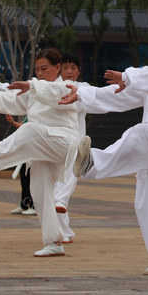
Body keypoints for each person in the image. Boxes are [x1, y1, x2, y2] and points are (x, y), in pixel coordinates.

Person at [63, 19, 148, 275]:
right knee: (146, 205)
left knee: (141, 132)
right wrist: (82, 95)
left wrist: (129, 76)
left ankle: (93, 164)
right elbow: (119, 96)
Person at [0, 48, 81, 258]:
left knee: (29, 129)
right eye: (37, 70)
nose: (40, 73)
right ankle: (54, 242)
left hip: (64, 143)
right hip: (43, 147)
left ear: (58, 67)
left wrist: (32, 85)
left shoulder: (67, 87)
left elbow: (52, 92)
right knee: (39, 190)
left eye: (44, 68)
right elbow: (12, 101)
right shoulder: (35, 90)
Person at [53, 54, 87, 244]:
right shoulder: (52, 87)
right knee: (52, 189)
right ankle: (63, 232)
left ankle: (60, 201)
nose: (69, 71)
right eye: (65, 67)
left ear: (78, 71)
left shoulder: (84, 89)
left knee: (69, 176)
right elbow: (25, 91)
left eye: (73, 68)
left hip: (76, 143)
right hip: (55, 143)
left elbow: (103, 96)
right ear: (59, 69)